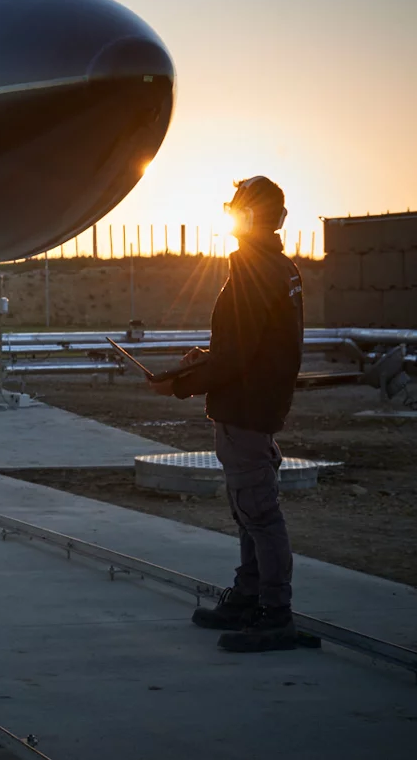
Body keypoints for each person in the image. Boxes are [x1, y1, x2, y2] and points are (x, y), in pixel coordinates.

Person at [148, 176, 304, 652]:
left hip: (246, 408)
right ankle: (249, 595)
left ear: (249, 217)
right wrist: (204, 361)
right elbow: (247, 346)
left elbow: (237, 355)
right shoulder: (278, 267)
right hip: (256, 402)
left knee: (258, 511)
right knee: (248, 509)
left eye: (237, 211)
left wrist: (184, 383)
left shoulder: (255, 271)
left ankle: (275, 612)